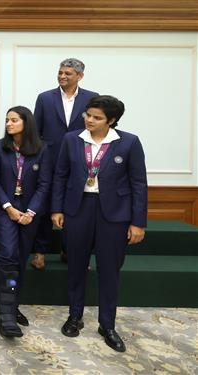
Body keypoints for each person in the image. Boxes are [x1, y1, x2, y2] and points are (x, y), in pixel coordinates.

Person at [52, 95, 146, 353]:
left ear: (111, 120)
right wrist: (57, 209)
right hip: (78, 209)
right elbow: (60, 175)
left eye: (97, 117)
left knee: (109, 270)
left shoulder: (128, 143)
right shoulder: (72, 140)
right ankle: (74, 316)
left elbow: (138, 184)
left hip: (114, 215)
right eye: (88, 115)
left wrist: (138, 222)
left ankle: (108, 325)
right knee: (76, 266)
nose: (89, 120)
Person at [32, 58, 99, 270]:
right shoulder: (45, 98)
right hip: (49, 160)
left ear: (79, 76)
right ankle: (40, 251)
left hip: (80, 161)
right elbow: (36, 131)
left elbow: (97, 128)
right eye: (60, 72)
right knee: (44, 207)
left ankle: (69, 250)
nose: (62, 76)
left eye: (68, 73)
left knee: (75, 207)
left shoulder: (92, 98)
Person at [0, 106, 51, 337]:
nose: (8, 124)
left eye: (14, 120)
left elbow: (45, 184)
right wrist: (9, 208)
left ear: (27, 123)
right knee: (8, 254)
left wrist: (31, 212)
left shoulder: (42, 148)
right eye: (7, 120)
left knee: (21, 258)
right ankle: (4, 312)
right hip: (5, 209)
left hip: (30, 212)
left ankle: (12, 305)